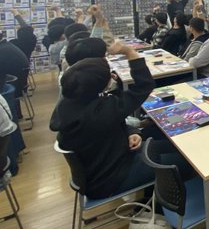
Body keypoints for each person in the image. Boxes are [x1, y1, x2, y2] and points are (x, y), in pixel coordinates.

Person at [50, 42, 191, 199]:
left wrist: (131, 131)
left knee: (172, 145)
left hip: (101, 167)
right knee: (189, 161)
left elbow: (111, 123)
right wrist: (130, 52)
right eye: (108, 74)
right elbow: (144, 85)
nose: (112, 76)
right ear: (98, 86)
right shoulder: (102, 110)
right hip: (112, 178)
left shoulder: (68, 105)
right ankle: (159, 206)